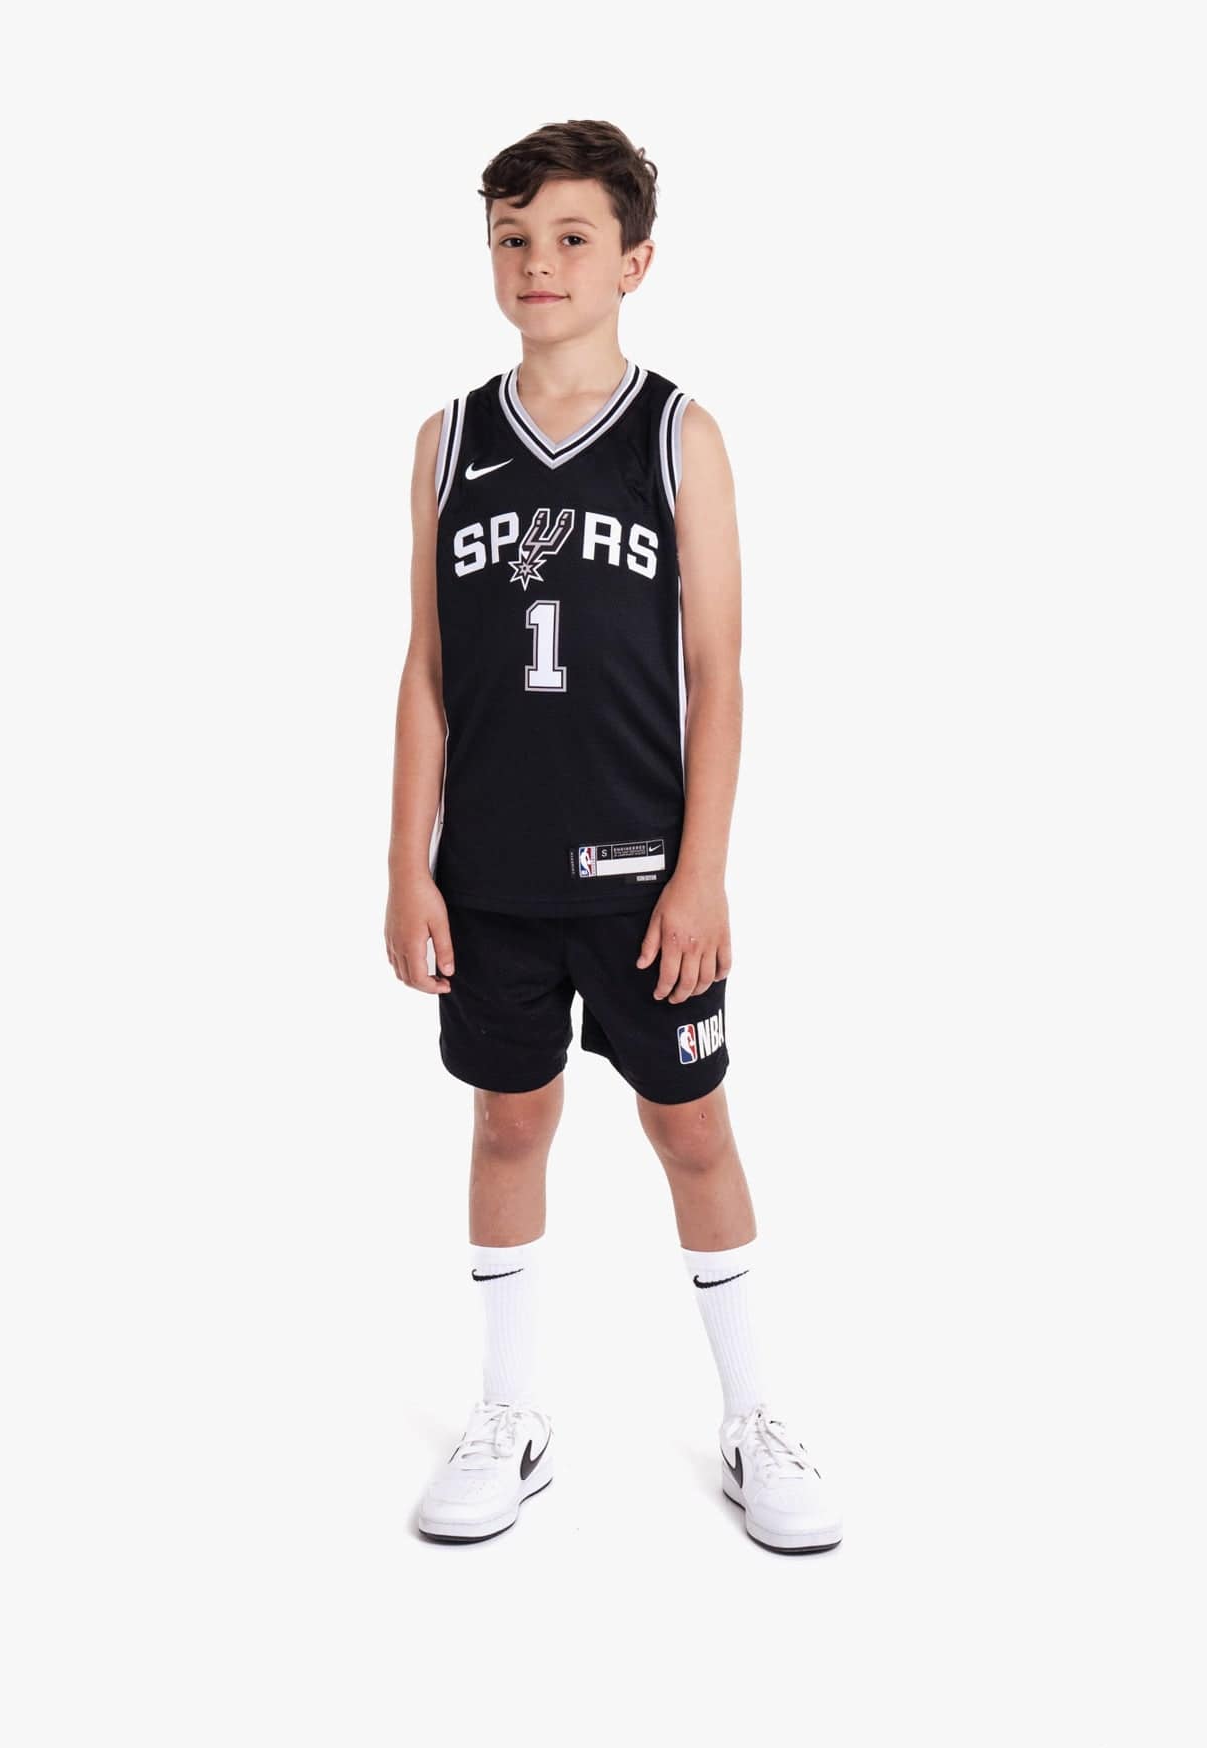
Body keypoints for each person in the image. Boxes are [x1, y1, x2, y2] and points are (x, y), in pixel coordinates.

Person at [384, 119, 841, 1554]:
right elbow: (427, 671)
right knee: (507, 1119)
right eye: (513, 238)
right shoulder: (448, 441)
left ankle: (755, 1417)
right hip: (491, 876)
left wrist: (704, 871)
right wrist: (405, 867)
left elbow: (721, 670)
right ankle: (508, 1416)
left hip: (647, 879)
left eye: (572, 237)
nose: (540, 262)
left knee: (691, 1128)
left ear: (634, 260)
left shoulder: (677, 435)